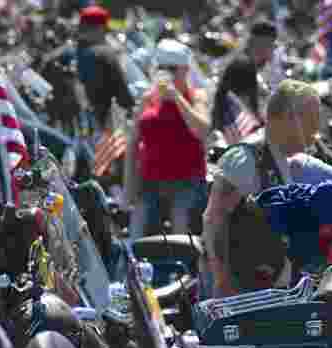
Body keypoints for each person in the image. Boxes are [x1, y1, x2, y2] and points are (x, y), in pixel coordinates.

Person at [202, 79, 332, 297]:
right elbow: (214, 221)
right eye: (312, 119)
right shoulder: (246, 159)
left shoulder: (302, 160)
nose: (317, 128)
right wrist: (222, 280)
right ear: (289, 119)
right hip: (245, 290)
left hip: (287, 287)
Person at [134, 39, 210, 239]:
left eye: (172, 69)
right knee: (140, 241)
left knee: (181, 242)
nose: (166, 73)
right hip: (150, 182)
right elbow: (133, 141)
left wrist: (177, 97)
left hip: (186, 182)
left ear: (185, 70)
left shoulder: (196, 96)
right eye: (161, 68)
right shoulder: (148, 98)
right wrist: (129, 190)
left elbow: (202, 130)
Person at [73, 5, 136, 131]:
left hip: (81, 123)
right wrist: (131, 109)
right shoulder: (104, 54)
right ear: (99, 28)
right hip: (107, 123)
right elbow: (121, 90)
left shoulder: (73, 51)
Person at [211, 20, 277, 132]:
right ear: (262, 43)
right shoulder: (244, 66)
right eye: (272, 45)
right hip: (233, 135)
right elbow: (247, 110)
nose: (273, 51)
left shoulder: (245, 62)